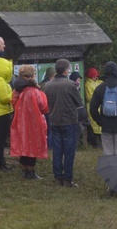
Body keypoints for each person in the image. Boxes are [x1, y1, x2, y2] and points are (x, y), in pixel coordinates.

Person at [44, 59, 83, 188]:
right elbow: (79, 102)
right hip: (69, 120)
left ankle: (57, 177)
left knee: (57, 150)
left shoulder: (48, 85)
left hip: (54, 120)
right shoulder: (70, 84)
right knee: (69, 150)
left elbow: (47, 103)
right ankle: (67, 178)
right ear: (66, 70)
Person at [10, 65, 48, 180]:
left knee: (23, 144)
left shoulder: (16, 90)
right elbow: (43, 106)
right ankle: (31, 171)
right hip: (34, 122)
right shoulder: (34, 91)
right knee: (33, 145)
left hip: (20, 121)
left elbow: (12, 102)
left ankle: (24, 169)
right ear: (31, 76)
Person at [89, 61, 117, 156]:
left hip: (106, 126)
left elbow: (92, 109)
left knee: (108, 155)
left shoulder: (100, 88)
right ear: (116, 71)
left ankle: (110, 171)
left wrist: (100, 121)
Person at [84, 67, 103, 148]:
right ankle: (95, 144)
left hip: (100, 106)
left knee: (100, 126)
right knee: (94, 126)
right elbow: (88, 97)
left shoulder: (99, 82)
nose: (96, 77)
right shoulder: (88, 84)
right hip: (92, 106)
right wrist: (99, 97)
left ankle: (100, 144)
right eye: (94, 75)